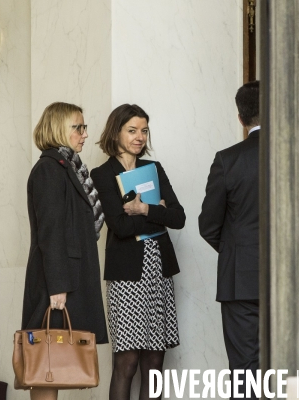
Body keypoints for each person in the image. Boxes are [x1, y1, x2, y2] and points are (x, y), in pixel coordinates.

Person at [90, 104, 185, 400]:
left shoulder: (153, 169)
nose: (139, 137)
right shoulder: (103, 174)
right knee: (127, 361)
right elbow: (119, 225)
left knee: (155, 362)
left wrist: (144, 208)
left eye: (143, 130)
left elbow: (179, 218)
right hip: (127, 275)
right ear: (116, 132)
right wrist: (159, 212)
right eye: (132, 130)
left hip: (158, 271)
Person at [21, 102, 108, 400]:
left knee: (55, 360)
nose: (85, 134)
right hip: (55, 282)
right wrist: (57, 287)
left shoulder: (68, 168)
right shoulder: (49, 169)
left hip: (67, 278)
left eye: (85, 127)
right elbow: (50, 231)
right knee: (46, 360)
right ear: (59, 129)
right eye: (78, 127)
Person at [198, 81, 260, 399]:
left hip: (240, 282)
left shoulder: (227, 159)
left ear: (240, 118)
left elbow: (208, 225)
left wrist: (238, 252)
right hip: (293, 280)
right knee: (293, 370)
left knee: (246, 372)